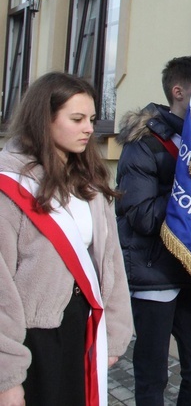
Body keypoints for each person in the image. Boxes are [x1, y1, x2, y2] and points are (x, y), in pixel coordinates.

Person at [0, 72, 133, 406]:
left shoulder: (89, 181)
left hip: (81, 326)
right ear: (45, 120)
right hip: (32, 336)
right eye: (77, 119)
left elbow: (109, 261)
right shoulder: (9, 185)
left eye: (91, 119)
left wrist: (115, 333)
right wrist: (8, 374)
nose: (89, 128)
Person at [115, 56, 191, 406]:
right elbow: (140, 215)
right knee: (153, 375)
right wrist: (189, 192)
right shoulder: (144, 142)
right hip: (155, 272)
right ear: (179, 90)